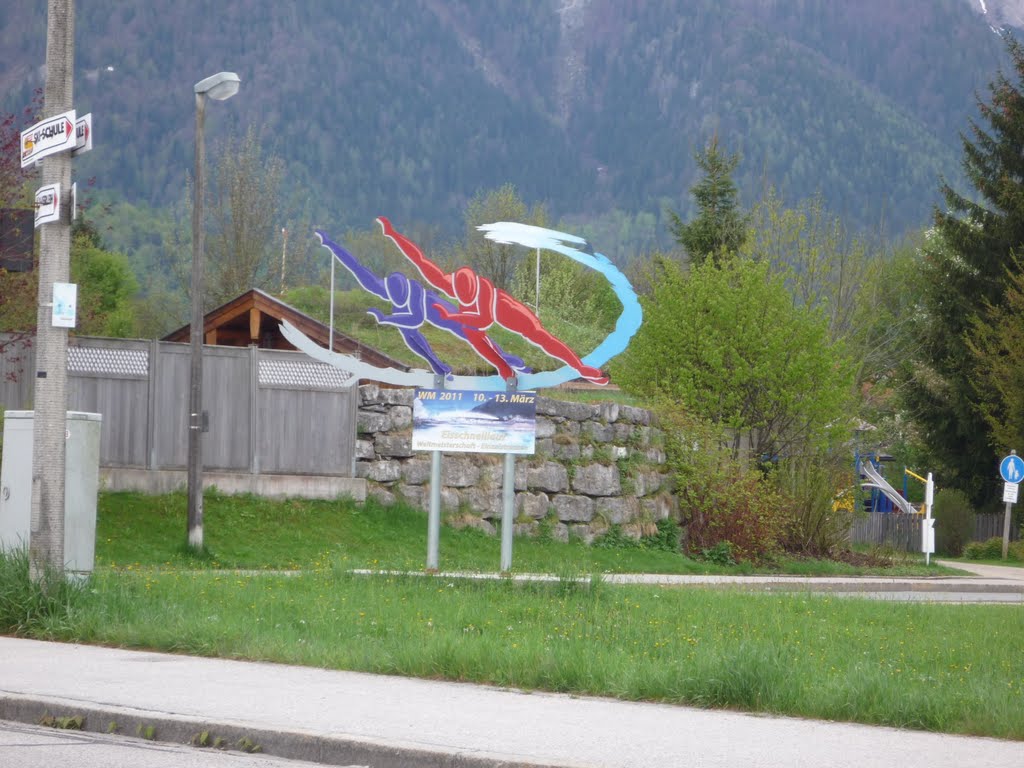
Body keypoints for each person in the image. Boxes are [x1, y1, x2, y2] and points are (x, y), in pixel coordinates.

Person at [378, 216, 608, 384]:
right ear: (454, 287)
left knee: (540, 335)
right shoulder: (447, 283)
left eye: (468, 295)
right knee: (471, 334)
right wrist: (393, 234)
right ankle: (502, 367)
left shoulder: (485, 290)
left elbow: (483, 319)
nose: (463, 298)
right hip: (474, 317)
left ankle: (580, 367)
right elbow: (419, 259)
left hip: (503, 309)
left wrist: (453, 315)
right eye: (460, 296)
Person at [316, 231, 528, 377]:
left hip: (436, 309)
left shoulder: (415, 292)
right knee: (407, 332)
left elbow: (415, 318)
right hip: (405, 311)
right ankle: (437, 365)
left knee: (470, 332)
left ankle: (506, 357)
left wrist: (386, 318)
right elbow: (356, 266)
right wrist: (331, 244)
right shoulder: (380, 287)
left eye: (401, 298)